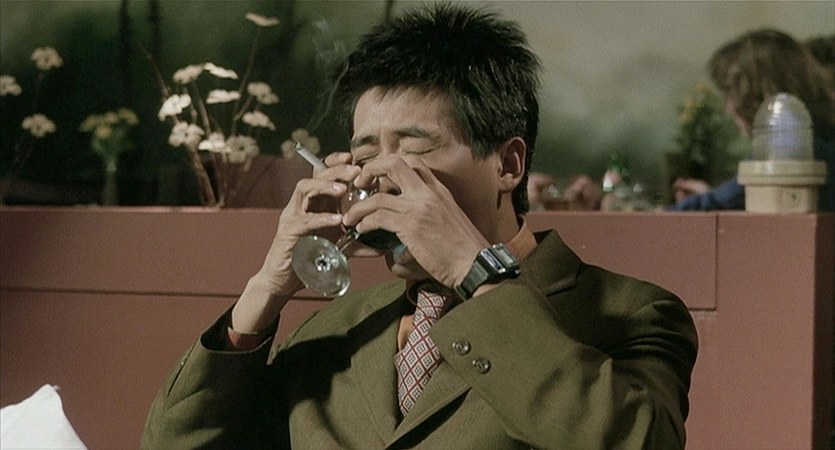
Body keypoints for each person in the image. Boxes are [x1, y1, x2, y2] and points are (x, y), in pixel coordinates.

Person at [141, 4, 697, 448]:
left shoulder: (632, 313)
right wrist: (266, 288)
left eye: (414, 151)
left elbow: (636, 441)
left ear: (508, 164)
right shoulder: (334, 330)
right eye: (365, 155)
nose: (381, 178)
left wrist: (472, 270)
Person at [671, 28, 835, 212]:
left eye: (730, 94)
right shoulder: (824, 144)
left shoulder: (787, 151)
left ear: (756, 97)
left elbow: (715, 202)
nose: (728, 109)